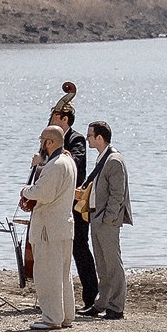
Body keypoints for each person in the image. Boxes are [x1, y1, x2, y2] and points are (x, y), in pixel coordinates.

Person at [19, 124, 77, 330]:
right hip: (63, 225)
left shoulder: (55, 165)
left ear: (50, 142)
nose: (40, 144)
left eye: (42, 140)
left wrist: (26, 190)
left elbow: (44, 193)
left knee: (47, 273)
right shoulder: (68, 161)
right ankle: (66, 315)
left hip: (49, 228)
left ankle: (52, 317)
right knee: (62, 272)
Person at [49, 83, 99, 314]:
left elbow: (76, 163)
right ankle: (55, 295)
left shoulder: (76, 140)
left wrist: (56, 154)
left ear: (65, 119)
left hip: (75, 203)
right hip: (56, 202)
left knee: (80, 247)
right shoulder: (53, 141)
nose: (51, 122)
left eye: (55, 118)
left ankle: (91, 297)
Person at [82, 121, 132, 320]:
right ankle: (101, 303)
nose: (87, 138)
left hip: (106, 220)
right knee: (101, 265)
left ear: (99, 138)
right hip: (96, 216)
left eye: (90, 135)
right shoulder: (103, 158)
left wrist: (108, 219)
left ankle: (116, 307)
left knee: (112, 264)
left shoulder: (114, 161)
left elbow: (117, 195)